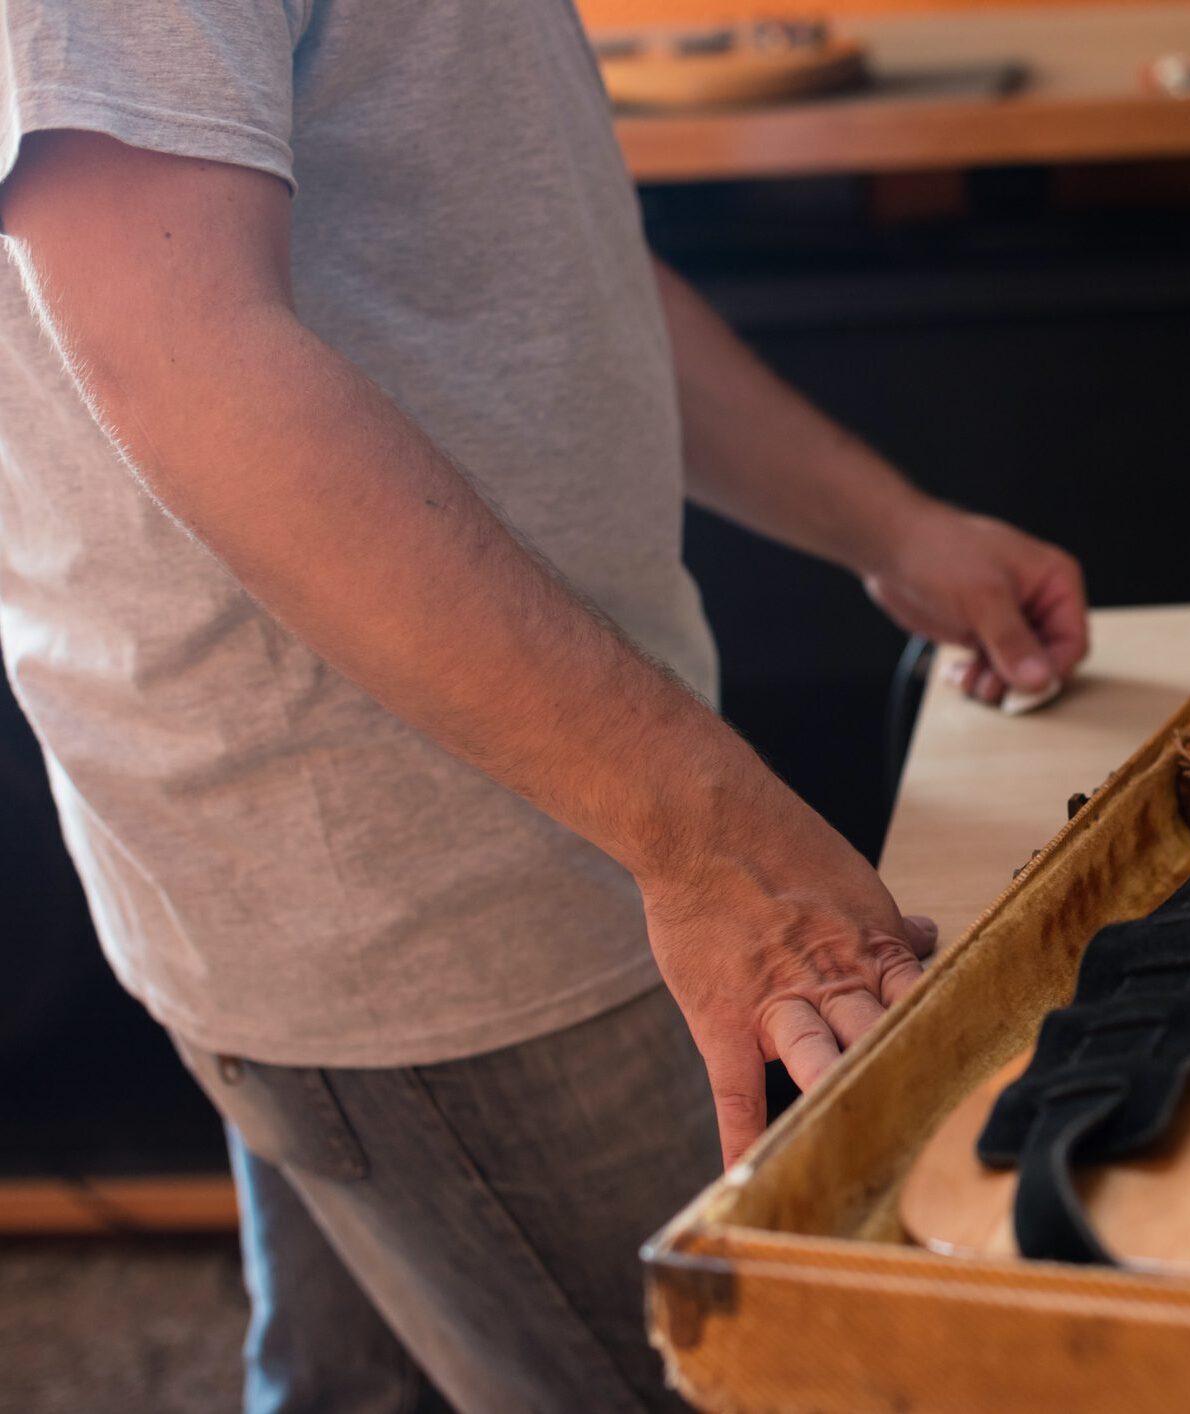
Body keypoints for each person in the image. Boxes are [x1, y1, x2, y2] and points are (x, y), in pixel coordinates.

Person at [0, 3, 1088, 1410]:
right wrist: (703, 832)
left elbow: (524, 257)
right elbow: (181, 357)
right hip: (422, 877)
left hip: (486, 833)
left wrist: (887, 524)